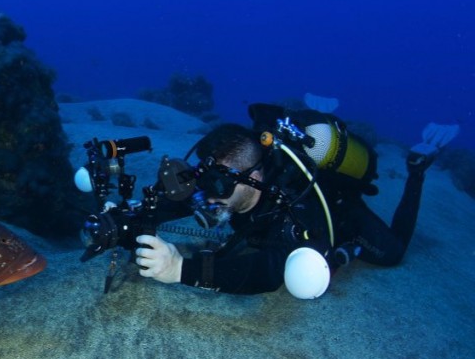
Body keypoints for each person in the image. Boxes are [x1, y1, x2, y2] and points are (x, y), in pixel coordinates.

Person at [134, 110, 459, 296]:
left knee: (393, 253)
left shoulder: (293, 212)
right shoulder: (224, 189)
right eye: (202, 181)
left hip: (340, 211)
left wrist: (181, 269)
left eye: (218, 185)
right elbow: (178, 202)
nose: (209, 195)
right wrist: (131, 218)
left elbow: (269, 271)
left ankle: (417, 170)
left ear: (256, 177)